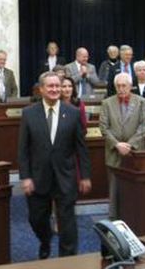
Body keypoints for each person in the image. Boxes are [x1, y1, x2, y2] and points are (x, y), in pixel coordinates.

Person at [18, 72, 91, 259]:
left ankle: (67, 260)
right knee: (37, 219)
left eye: (57, 86)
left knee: (67, 222)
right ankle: (45, 239)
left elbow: (81, 149)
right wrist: (25, 177)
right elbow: (23, 149)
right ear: (41, 89)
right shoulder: (28, 114)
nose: (54, 90)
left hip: (65, 176)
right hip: (37, 178)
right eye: (50, 86)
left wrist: (85, 176)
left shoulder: (73, 113)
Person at [99, 73, 145, 218]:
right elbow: (103, 127)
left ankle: (135, 218)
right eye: (118, 86)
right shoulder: (107, 103)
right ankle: (114, 220)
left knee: (134, 189)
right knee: (114, 191)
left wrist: (129, 145)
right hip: (114, 153)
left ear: (130, 86)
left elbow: (144, 126)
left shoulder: (141, 102)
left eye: (124, 86)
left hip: (135, 153)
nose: (121, 89)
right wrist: (117, 145)